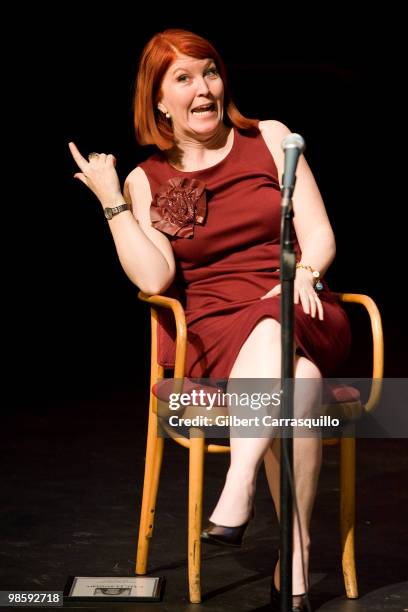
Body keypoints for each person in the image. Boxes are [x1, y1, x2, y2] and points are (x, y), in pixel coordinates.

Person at [68, 28, 351, 611]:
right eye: (184, 78)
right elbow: (153, 279)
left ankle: (237, 486)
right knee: (302, 383)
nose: (203, 88)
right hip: (215, 331)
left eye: (211, 72)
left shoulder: (270, 137)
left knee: (276, 325)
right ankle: (292, 562)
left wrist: (305, 274)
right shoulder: (147, 178)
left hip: (300, 302)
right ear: (159, 102)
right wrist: (111, 201)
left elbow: (318, 236)